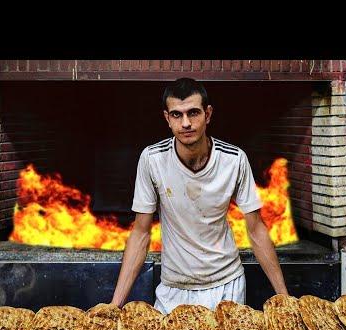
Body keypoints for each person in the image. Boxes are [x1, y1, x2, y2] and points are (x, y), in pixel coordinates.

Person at [111, 77, 288, 314]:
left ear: (208, 114)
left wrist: (285, 298)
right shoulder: (152, 160)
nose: (186, 123)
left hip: (227, 286)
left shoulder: (234, 159)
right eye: (177, 115)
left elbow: (256, 229)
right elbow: (141, 232)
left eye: (193, 113)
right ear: (167, 118)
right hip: (174, 289)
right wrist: (115, 305)